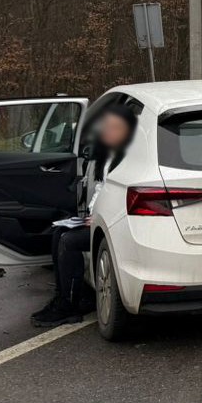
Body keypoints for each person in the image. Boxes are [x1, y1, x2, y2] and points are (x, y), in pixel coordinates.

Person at [30, 105, 137, 327]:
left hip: (117, 222)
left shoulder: (128, 159)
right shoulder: (106, 155)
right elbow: (99, 190)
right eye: (106, 126)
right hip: (100, 218)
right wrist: (90, 214)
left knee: (69, 242)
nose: (108, 131)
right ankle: (66, 298)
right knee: (58, 232)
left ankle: (69, 306)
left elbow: (115, 194)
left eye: (115, 127)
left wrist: (96, 217)